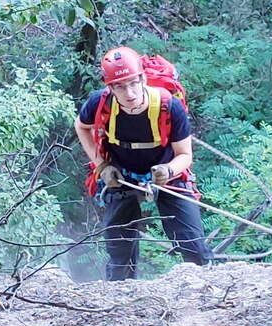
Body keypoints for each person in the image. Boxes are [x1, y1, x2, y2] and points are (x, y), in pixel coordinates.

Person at [74, 46, 213, 281]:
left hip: (167, 173)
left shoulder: (169, 106)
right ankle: (121, 301)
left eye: (133, 83)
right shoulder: (101, 103)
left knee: (193, 245)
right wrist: (102, 165)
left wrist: (167, 170)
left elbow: (185, 155)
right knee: (119, 252)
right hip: (121, 174)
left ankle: (206, 291)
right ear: (110, 87)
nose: (129, 93)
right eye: (120, 86)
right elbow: (81, 126)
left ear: (143, 78)